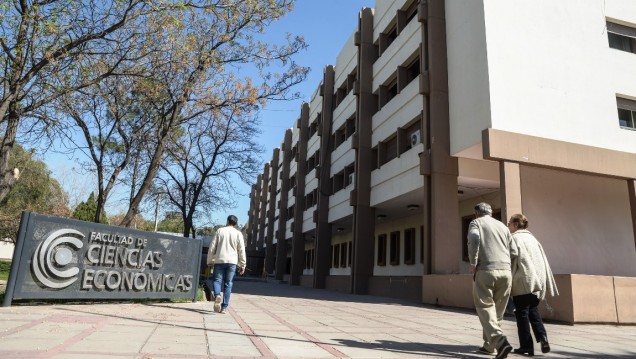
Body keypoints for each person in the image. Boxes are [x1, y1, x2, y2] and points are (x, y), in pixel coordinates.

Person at [467, 202, 518, 359]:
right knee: (497, 312)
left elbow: (475, 237)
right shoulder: (503, 226)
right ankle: (490, 346)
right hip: (505, 272)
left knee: (485, 306)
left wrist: (473, 262)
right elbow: (514, 251)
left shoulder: (476, 223)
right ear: (490, 213)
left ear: (477, 213)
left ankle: (499, 341)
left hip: (486, 270)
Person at [508, 213, 558, 356]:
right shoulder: (533, 239)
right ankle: (543, 337)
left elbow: (511, 260)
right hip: (536, 282)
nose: (508, 225)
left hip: (522, 282)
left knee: (522, 315)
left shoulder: (514, 239)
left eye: (510, 222)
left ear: (516, 225)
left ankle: (526, 346)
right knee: (533, 311)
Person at [207, 215, 246, 314]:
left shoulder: (220, 231)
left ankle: (217, 295)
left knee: (216, 280)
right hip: (232, 262)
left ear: (227, 221)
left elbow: (212, 247)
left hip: (219, 260)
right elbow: (241, 250)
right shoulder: (238, 234)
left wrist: (210, 260)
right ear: (236, 223)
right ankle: (224, 307)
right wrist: (242, 264)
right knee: (228, 284)